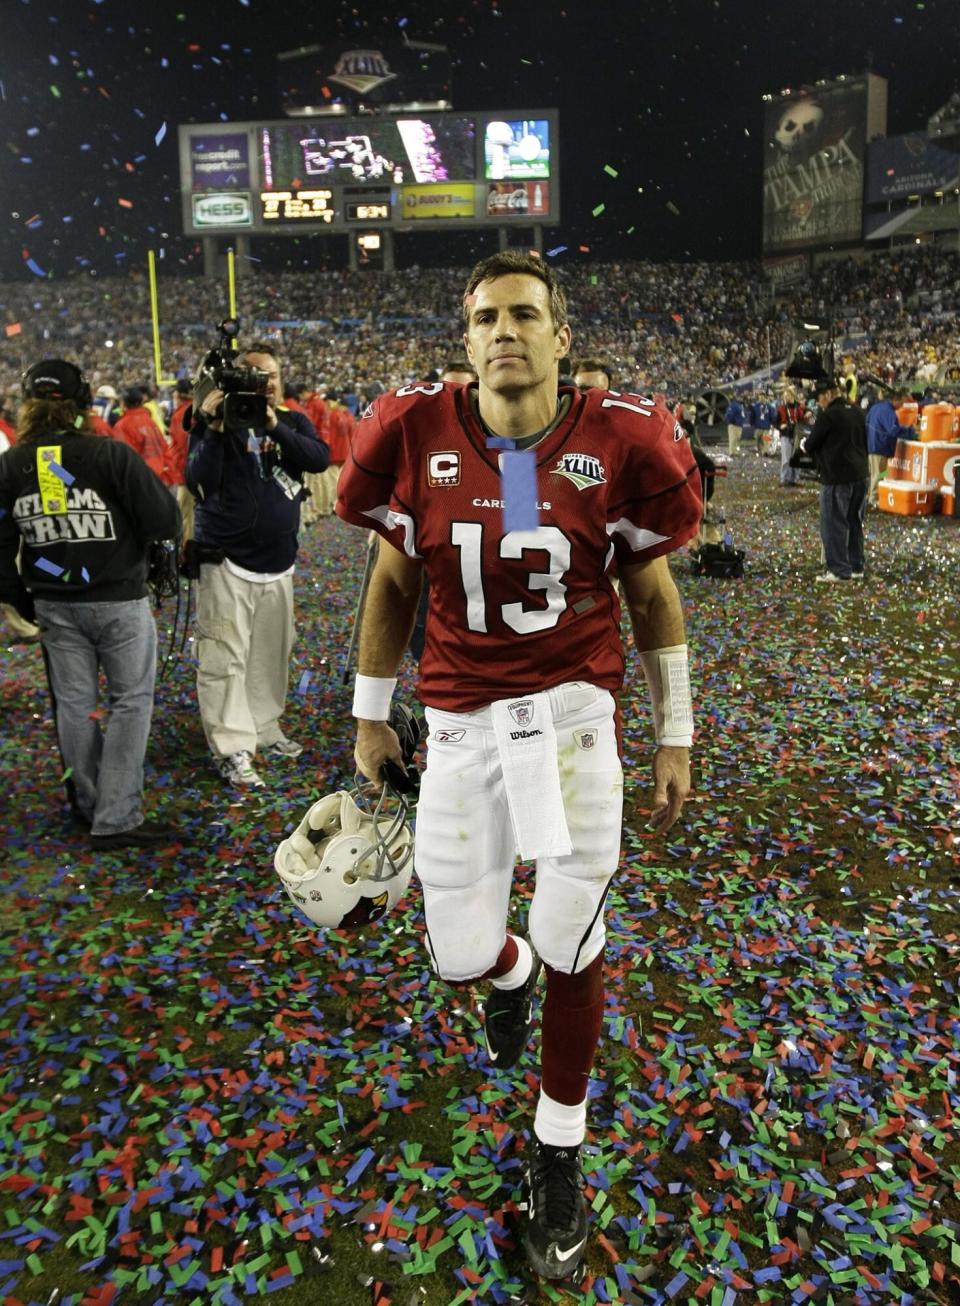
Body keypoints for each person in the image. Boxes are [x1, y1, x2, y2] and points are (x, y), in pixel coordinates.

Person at [336, 250, 702, 1281]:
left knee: (572, 927)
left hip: (576, 714)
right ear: (466, 340)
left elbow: (657, 599)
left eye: (525, 314)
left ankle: (557, 1144)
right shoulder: (415, 432)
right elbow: (393, 584)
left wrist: (676, 730)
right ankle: (506, 973)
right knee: (461, 950)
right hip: (459, 721)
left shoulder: (618, 437)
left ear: (559, 335)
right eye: (487, 316)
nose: (506, 330)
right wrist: (370, 717)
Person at [0, 358, 180, 846]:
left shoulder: (12, 463)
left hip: (54, 604)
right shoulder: (108, 455)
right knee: (130, 702)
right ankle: (117, 816)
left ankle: (89, 803)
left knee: (76, 706)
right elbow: (163, 518)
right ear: (82, 403)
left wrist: (21, 598)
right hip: (118, 599)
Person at [187, 340, 329, 787]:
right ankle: (232, 746)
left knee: (270, 654)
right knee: (223, 657)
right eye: (253, 375)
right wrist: (210, 426)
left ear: (280, 380)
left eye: (270, 375)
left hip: (278, 560)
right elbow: (197, 482)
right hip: (226, 559)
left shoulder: (290, 420)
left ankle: (265, 727)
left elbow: (318, 458)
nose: (263, 384)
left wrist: (273, 426)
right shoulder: (214, 424)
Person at [801, 376, 869, 582]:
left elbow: (810, 444)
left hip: (837, 477)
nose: (818, 403)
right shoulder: (857, 412)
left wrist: (805, 444)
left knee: (834, 523)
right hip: (860, 475)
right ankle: (856, 566)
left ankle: (839, 569)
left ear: (828, 394)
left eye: (819, 398)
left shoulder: (828, 416)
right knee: (854, 521)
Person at [113, 387, 175, 487]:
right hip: (159, 476)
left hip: (140, 481)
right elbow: (164, 447)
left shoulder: (122, 425)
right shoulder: (150, 421)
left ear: (124, 403)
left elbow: (123, 458)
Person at [865, 387, 913, 508]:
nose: (902, 406)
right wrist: (910, 432)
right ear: (895, 399)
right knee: (879, 474)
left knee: (875, 473)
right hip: (881, 447)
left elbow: (867, 422)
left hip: (873, 446)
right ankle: (873, 499)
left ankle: (870, 496)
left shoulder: (876, 407)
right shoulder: (888, 411)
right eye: (901, 402)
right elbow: (893, 430)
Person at [777, 388, 809, 487]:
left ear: (792, 396)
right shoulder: (781, 408)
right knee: (786, 458)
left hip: (796, 435)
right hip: (786, 435)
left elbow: (805, 415)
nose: (786, 398)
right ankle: (785, 479)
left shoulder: (798, 407)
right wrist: (780, 426)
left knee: (796, 458)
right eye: (784, 396)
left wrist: (808, 413)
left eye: (788, 396)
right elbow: (776, 421)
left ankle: (795, 479)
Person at [723, 391, 745, 455]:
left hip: (739, 425)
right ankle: (732, 452)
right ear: (736, 397)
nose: (741, 398)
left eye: (742, 397)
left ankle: (735, 452)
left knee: (737, 440)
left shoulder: (740, 405)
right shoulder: (733, 404)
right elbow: (729, 415)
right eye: (739, 397)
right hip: (734, 425)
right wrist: (733, 422)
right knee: (733, 439)